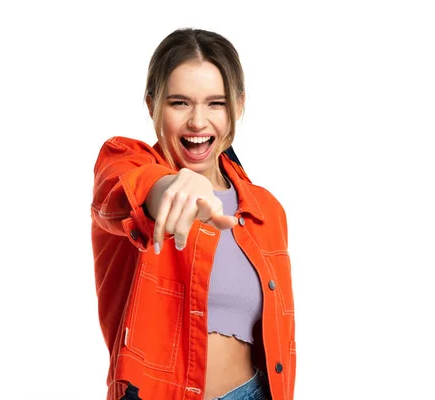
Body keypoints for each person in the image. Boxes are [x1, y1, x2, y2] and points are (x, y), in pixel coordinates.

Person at [91, 28, 296, 400]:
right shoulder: (124, 165)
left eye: (215, 104)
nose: (198, 122)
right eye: (179, 103)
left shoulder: (267, 210)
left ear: (238, 105)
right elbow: (130, 190)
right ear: (152, 105)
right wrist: (173, 188)